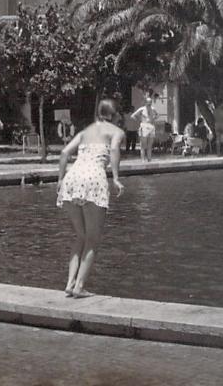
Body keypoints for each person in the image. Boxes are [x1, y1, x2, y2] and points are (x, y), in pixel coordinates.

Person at [57, 98, 125, 298]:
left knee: (80, 236)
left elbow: (64, 153)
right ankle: (79, 287)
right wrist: (116, 178)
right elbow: (113, 150)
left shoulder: (84, 132)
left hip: (72, 178)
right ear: (115, 115)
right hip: (93, 179)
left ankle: (70, 284)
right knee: (93, 239)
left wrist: (60, 179)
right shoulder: (116, 132)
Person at [131, 93, 158, 163]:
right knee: (143, 145)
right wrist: (140, 121)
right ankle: (143, 159)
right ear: (145, 103)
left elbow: (157, 115)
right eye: (148, 102)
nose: (149, 104)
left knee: (150, 145)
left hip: (151, 126)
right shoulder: (142, 109)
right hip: (144, 126)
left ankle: (149, 159)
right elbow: (133, 115)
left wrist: (154, 118)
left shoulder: (153, 109)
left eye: (150, 102)